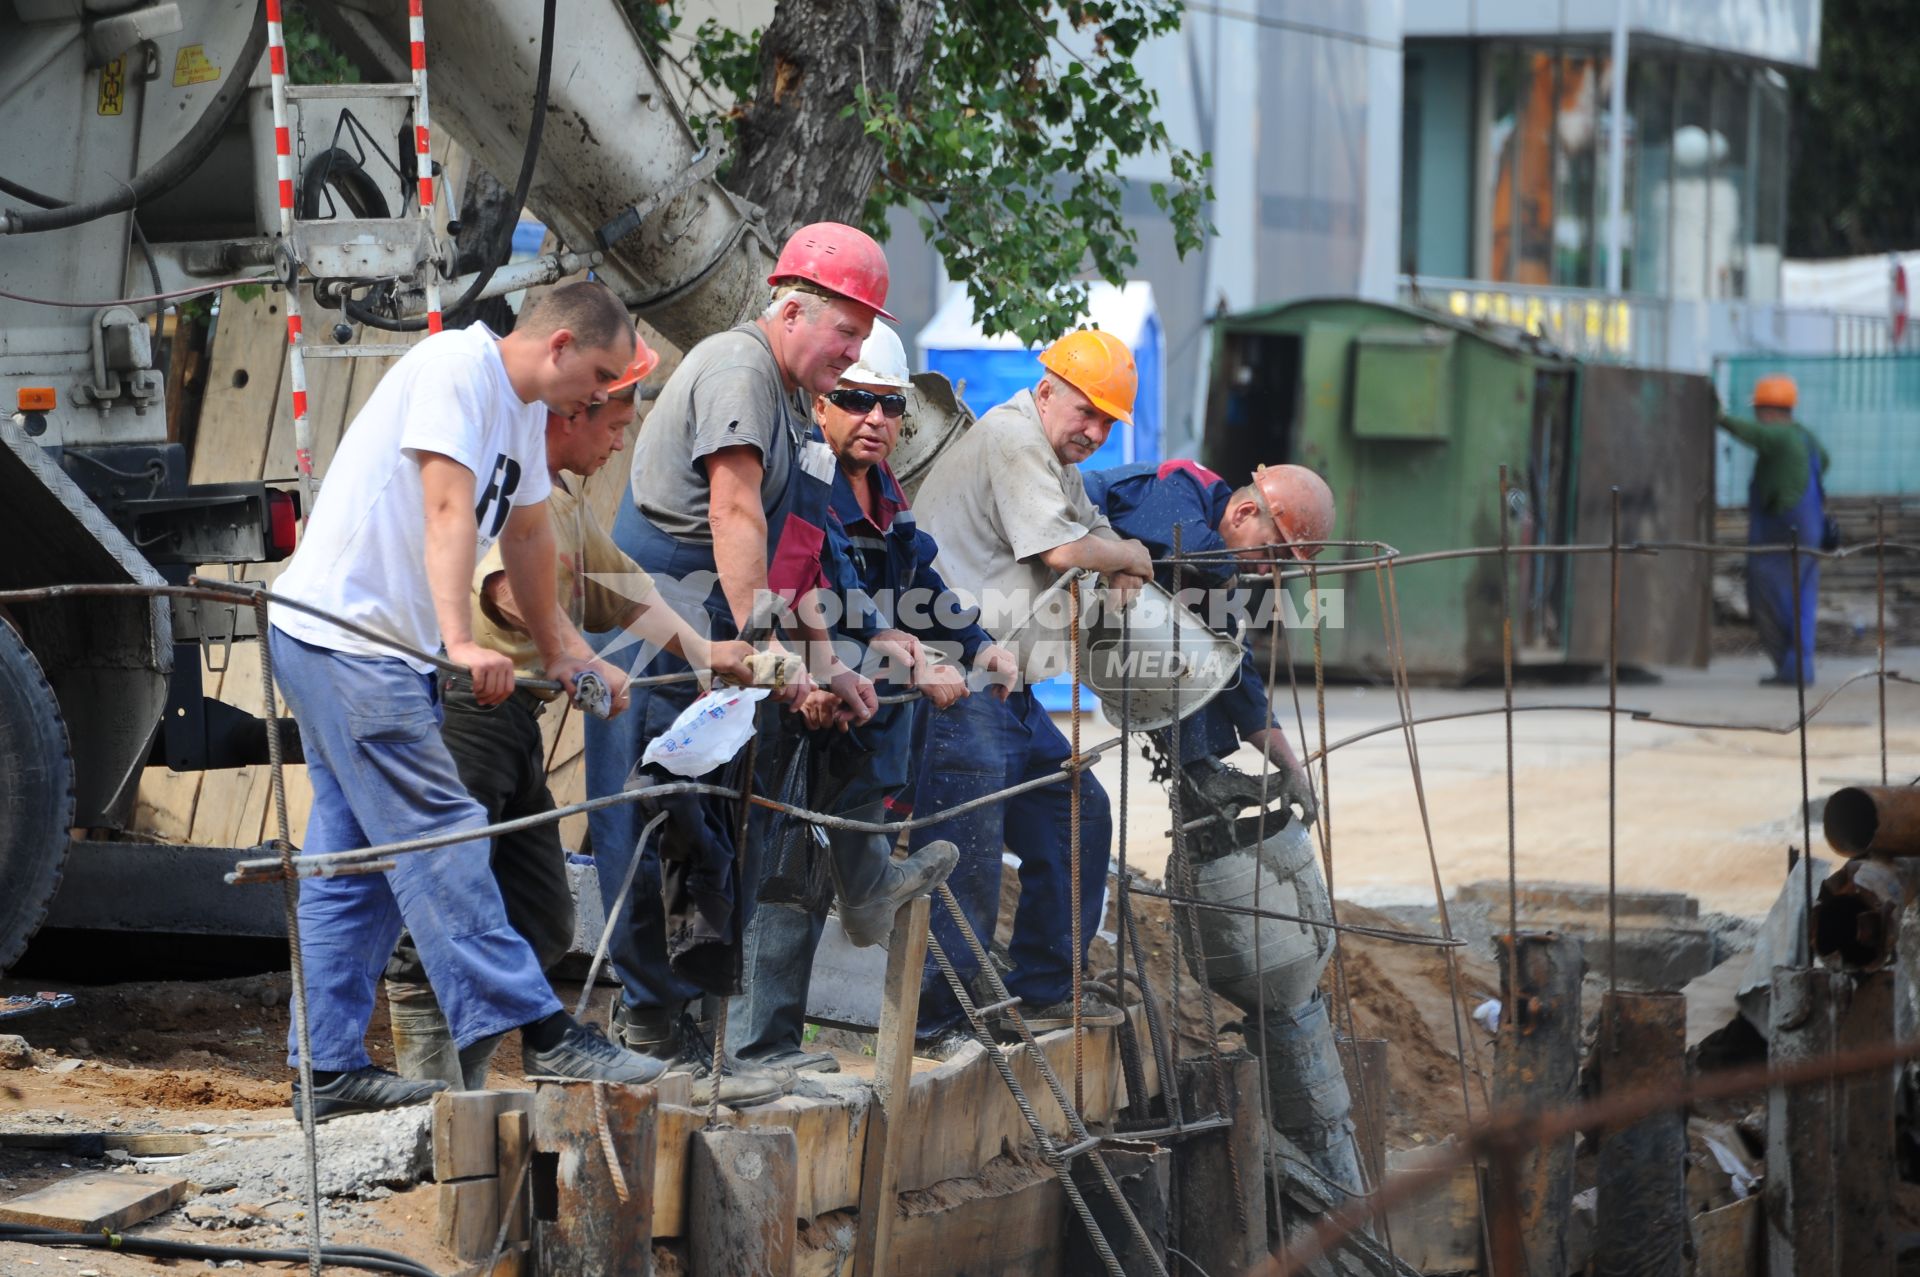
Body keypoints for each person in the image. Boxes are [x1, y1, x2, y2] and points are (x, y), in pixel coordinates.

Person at [267, 280, 665, 1120]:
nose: (599, 396)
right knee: (445, 834)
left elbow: (525, 535)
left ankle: (327, 1070)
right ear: (558, 345)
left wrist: (564, 655)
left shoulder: (519, 412)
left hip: (365, 645)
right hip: (350, 639)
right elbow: (448, 508)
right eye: (597, 374)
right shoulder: (456, 365)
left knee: (356, 869)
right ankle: (544, 1029)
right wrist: (459, 641)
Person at [586, 223, 955, 1095]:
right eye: (847, 335)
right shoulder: (738, 368)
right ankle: (648, 1018)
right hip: (669, 609)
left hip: (727, 612)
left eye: (867, 342)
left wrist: (828, 662)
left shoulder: (796, 406)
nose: (855, 356)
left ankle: (699, 1033)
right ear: (793, 310)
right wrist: (768, 653)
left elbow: (801, 546)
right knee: (653, 818)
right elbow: (735, 515)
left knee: (723, 827)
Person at [382, 331, 760, 1091]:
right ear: (576, 409)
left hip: (512, 716)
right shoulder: (518, 478)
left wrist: (703, 651)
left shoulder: (561, 493)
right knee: (444, 900)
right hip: (467, 709)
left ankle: (464, 1080)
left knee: (544, 912)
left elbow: (624, 585)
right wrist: (576, 658)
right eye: (616, 421)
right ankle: (433, 1098)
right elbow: (506, 591)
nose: (621, 440)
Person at [729, 322, 1012, 1073]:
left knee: (810, 873)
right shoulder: (808, 473)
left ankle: (858, 890)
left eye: (889, 408)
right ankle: (756, 1047)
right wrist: (897, 646)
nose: (876, 421)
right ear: (823, 404)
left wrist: (977, 642)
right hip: (788, 688)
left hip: (851, 699)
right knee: (780, 870)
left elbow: (922, 578)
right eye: (857, 401)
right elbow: (820, 579)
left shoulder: (884, 488)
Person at [907, 328, 1157, 1053]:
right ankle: (934, 1025)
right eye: (1087, 411)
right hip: (954, 683)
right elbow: (1065, 548)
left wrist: (1114, 551)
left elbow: (1090, 524)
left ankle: (1043, 990)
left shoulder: (1051, 455)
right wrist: (1129, 554)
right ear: (1046, 390)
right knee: (968, 850)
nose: (1095, 431)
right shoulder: (1014, 436)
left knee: (1077, 811)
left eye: (1108, 421)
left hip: (1004, 688)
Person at [1082, 459, 1330, 823]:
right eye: (1269, 552)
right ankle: (1200, 770)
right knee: (1184, 618)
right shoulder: (1182, 484)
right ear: (1244, 512)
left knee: (1216, 652)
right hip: (1024, 563)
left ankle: (1203, 772)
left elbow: (1237, 677)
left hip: (1073, 610)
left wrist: (1292, 768)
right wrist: (1228, 581)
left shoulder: (1216, 575)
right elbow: (1188, 544)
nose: (1264, 570)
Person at [1720, 374, 1832, 686]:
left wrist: (1718, 417)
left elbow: (1752, 434)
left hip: (1781, 532)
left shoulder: (1778, 436)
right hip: (1810, 529)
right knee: (1802, 601)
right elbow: (1824, 460)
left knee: (1766, 597)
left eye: (1758, 411)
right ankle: (1798, 669)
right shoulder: (1804, 437)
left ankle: (1789, 667)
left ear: (1766, 411)